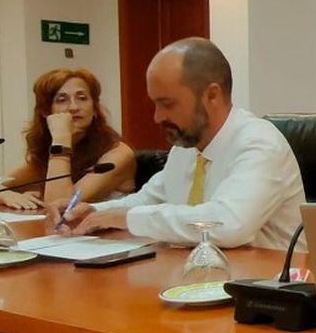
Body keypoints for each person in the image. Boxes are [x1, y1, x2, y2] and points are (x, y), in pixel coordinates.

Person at [61, 37, 303, 248]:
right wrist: (91, 212)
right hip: (199, 275)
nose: (157, 117)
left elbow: (227, 225)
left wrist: (127, 218)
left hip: (267, 287)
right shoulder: (186, 148)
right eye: (154, 104)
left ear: (212, 95)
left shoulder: (259, 143)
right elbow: (147, 200)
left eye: (168, 104)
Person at [0, 69, 135, 211]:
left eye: (82, 98)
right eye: (62, 100)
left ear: (94, 108)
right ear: (45, 112)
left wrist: (61, 140)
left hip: (108, 232)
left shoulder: (118, 153)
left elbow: (59, 204)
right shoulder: (55, 147)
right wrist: (5, 195)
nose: (74, 107)